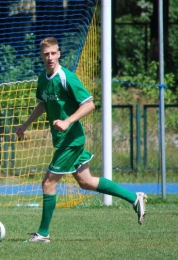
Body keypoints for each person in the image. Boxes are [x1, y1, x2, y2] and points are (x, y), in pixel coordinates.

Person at [16, 37, 147, 243]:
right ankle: (134, 199)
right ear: (41, 56)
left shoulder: (67, 77)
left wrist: (68, 121)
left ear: (59, 54)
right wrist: (25, 124)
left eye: (53, 53)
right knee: (86, 182)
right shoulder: (43, 78)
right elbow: (43, 103)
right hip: (63, 139)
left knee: (48, 183)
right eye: (46, 54)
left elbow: (89, 104)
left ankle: (43, 233)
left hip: (71, 139)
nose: (50, 57)